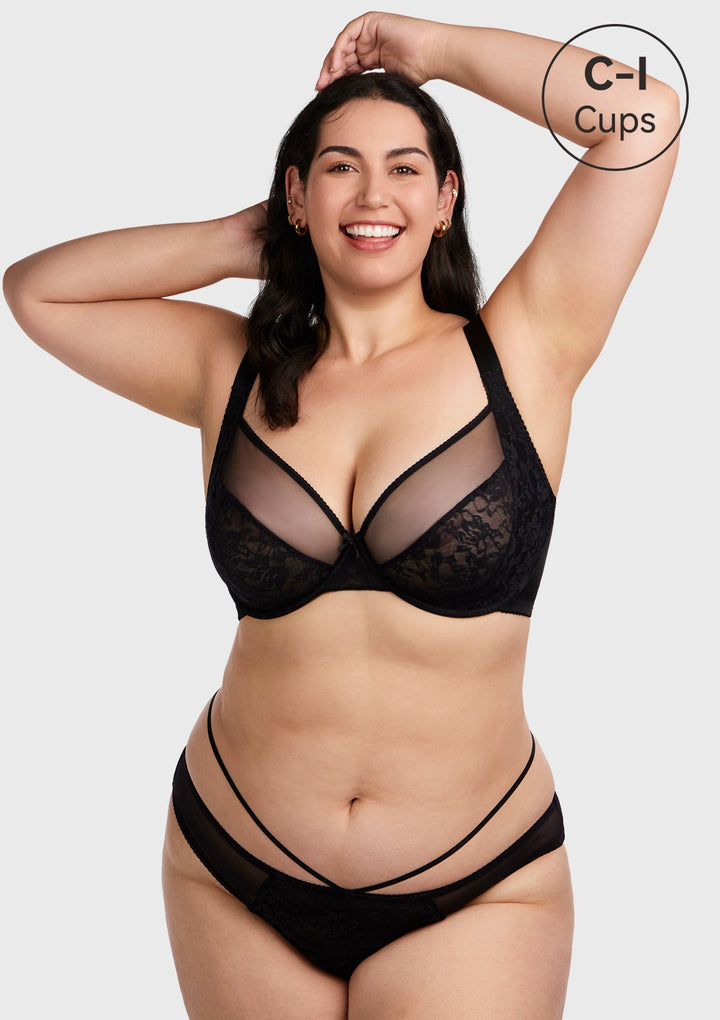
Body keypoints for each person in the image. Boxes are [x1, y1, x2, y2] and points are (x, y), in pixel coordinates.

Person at [3, 11, 680, 1019]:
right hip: (233, 865)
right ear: (297, 194)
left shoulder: (526, 347)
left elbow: (643, 115)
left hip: (476, 884)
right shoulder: (227, 367)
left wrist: (434, 52)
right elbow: (37, 294)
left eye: (406, 168)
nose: (373, 195)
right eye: (340, 169)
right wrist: (241, 240)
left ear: (447, 201)